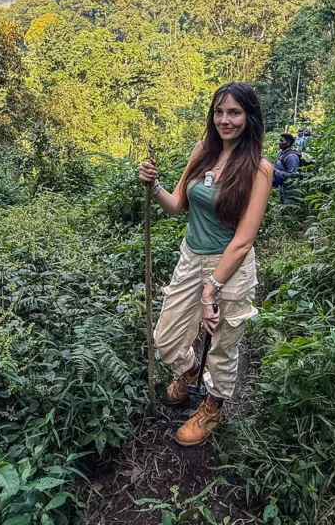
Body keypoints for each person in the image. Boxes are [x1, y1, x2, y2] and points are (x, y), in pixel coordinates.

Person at [137, 82, 273, 447]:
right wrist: (154, 187)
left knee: (224, 344)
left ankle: (212, 406)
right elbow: (178, 204)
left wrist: (211, 289)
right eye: (218, 112)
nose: (224, 120)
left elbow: (244, 240)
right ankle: (189, 370)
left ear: (249, 118)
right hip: (191, 256)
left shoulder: (259, 169)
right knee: (165, 338)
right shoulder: (201, 151)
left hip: (230, 266)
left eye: (234, 112)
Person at [272, 133, 302, 205]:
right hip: (283, 185)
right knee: (283, 203)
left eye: (282, 141)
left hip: (290, 188)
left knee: (289, 204)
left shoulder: (291, 156)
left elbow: (293, 175)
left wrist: (275, 171)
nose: (279, 142)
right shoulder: (281, 153)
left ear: (288, 143)